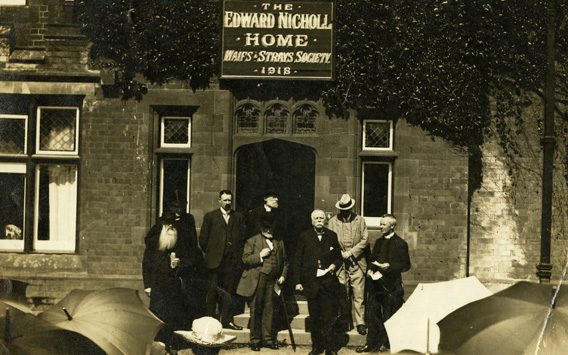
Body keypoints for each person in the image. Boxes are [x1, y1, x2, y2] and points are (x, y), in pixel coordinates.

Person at [143, 209, 204, 354]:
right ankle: (158, 345)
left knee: (172, 314)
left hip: (174, 284)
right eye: (167, 224)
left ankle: (170, 344)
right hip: (157, 284)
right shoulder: (154, 241)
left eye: (172, 224)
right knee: (158, 314)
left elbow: (194, 256)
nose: (170, 228)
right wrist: (148, 286)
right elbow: (146, 263)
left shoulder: (180, 239)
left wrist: (180, 263)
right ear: (162, 225)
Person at [356, 214, 411, 353]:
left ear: (392, 226)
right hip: (376, 285)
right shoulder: (379, 242)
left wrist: (390, 266)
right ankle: (371, 344)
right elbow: (373, 259)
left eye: (383, 225)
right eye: (380, 224)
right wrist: (369, 270)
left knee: (389, 315)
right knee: (372, 314)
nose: (380, 227)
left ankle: (387, 344)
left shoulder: (401, 243)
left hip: (391, 286)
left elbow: (406, 265)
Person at [294, 209, 343, 355]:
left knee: (329, 316)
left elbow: (338, 257)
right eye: (316, 218)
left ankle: (330, 348)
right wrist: (297, 281)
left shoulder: (332, 236)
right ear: (312, 221)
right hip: (311, 283)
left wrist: (334, 265)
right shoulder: (304, 236)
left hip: (328, 283)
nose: (319, 220)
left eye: (322, 218)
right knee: (314, 317)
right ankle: (316, 347)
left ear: (325, 220)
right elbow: (297, 260)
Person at [236, 217, 288, 351]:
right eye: (266, 228)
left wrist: (282, 275)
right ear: (261, 229)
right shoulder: (252, 241)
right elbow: (245, 259)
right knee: (256, 309)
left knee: (269, 310)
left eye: (271, 228)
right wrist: (260, 255)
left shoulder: (279, 242)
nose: (269, 231)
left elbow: (286, 262)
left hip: (273, 281)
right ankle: (255, 340)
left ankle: (268, 339)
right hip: (257, 279)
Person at [199, 190, 245, 330]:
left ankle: (227, 320)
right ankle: (210, 322)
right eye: (225, 200)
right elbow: (203, 240)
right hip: (214, 262)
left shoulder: (238, 217)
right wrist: (214, 253)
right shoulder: (211, 217)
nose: (227, 203)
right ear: (219, 200)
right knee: (212, 292)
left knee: (228, 293)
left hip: (231, 263)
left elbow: (242, 238)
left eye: (229, 200)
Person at [328, 194, 369, 335]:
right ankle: (345, 322)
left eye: (347, 209)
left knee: (358, 294)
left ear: (351, 208)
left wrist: (352, 252)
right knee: (342, 293)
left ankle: (361, 323)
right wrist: (340, 253)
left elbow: (364, 240)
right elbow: (330, 240)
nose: (345, 212)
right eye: (342, 209)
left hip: (357, 263)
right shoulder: (333, 221)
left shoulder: (360, 220)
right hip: (340, 263)